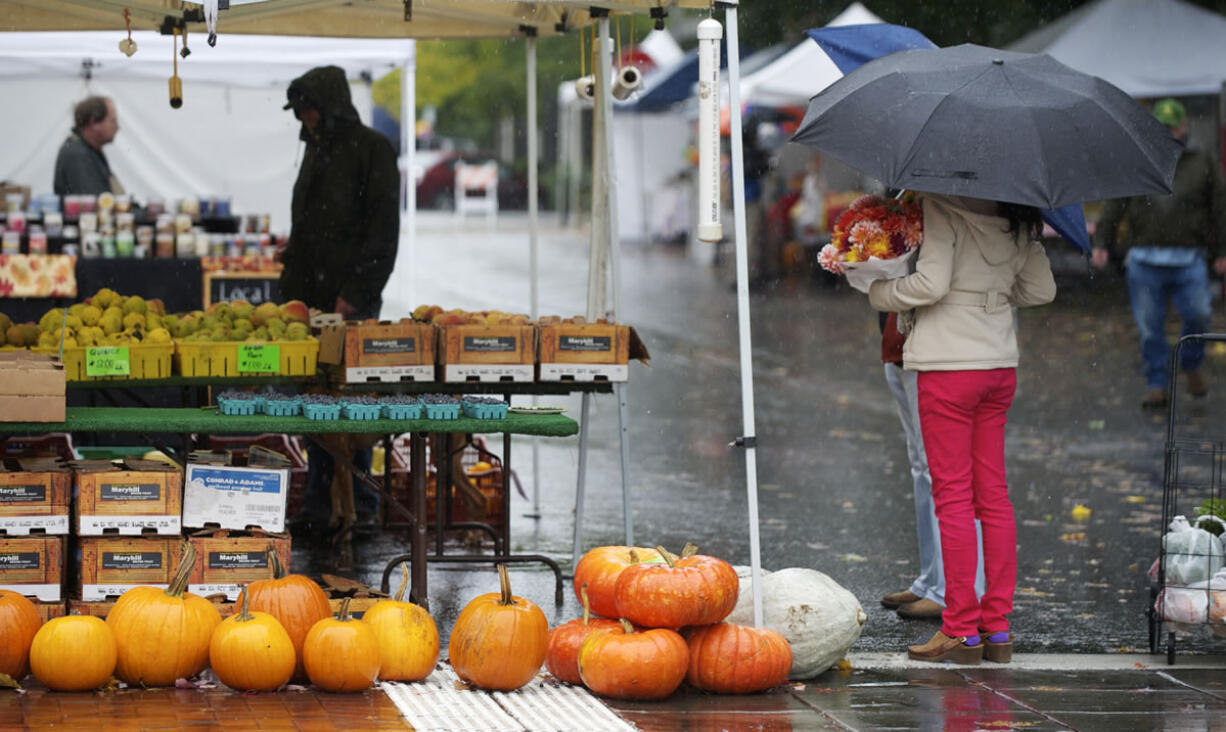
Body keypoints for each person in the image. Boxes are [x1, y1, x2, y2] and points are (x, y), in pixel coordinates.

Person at [868, 193, 1056, 664]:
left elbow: (931, 283)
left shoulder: (941, 204)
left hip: (948, 365)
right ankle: (996, 629)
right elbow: (1041, 290)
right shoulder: (1020, 209)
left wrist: (880, 293)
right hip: (998, 365)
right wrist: (989, 295)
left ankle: (959, 630)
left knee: (952, 496)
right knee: (993, 496)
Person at [278, 65, 400, 535]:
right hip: (308, 300)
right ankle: (320, 503)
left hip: (349, 300)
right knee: (315, 405)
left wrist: (356, 293)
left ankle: (362, 504)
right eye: (300, 111)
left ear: (327, 106)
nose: (304, 118)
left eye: (308, 108)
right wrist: (292, 253)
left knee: (352, 406)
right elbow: (313, 219)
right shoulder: (317, 148)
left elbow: (382, 233)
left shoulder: (372, 149)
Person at [1091, 98, 1226, 409]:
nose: (1166, 132)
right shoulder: (1138, 158)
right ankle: (1156, 384)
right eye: (1160, 127)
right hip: (1144, 258)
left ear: (1183, 127)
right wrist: (1101, 242)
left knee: (1199, 314)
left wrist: (1222, 250)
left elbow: (1219, 206)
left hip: (1189, 257)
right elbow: (1116, 202)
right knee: (1150, 327)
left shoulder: (1201, 161)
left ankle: (1190, 363)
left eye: (1171, 127)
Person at [878, 311, 985, 621]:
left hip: (930, 350)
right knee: (921, 467)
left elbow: (931, 283)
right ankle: (932, 579)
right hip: (899, 345)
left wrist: (887, 290)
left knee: (941, 470)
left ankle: (955, 589)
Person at [53, 96, 123, 196]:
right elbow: (95, 204)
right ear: (93, 122)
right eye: (112, 121)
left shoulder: (91, 149)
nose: (118, 127)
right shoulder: (77, 154)